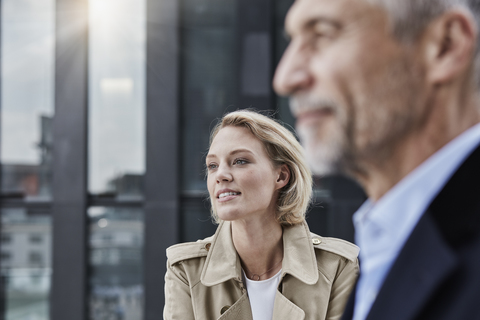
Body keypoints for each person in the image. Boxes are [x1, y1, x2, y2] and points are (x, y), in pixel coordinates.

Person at [273, 0, 480, 319]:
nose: (286, 78)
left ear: (445, 46)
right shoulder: (386, 239)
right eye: (294, 41)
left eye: (323, 34)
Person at [163, 110, 359, 320]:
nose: (220, 175)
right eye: (212, 165)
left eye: (239, 161)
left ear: (281, 175)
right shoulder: (186, 269)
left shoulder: (339, 267)